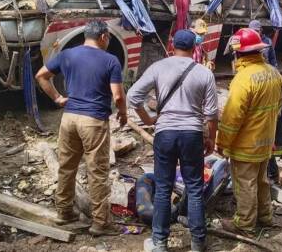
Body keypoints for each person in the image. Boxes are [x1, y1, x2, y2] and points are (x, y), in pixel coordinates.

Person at [127, 29, 219, 252]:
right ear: (194, 48)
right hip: (192, 134)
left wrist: (148, 119)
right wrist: (211, 139)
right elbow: (212, 114)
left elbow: (132, 96)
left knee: (164, 187)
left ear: (172, 46)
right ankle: (197, 243)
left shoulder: (159, 67)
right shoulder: (204, 73)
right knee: (195, 188)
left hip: (165, 133)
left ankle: (160, 243)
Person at [35, 20, 127, 236]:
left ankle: (64, 212)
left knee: (67, 167)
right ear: (103, 37)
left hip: (69, 119)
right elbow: (118, 95)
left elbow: (41, 75)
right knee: (97, 171)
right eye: (109, 38)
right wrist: (122, 113)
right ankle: (100, 223)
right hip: (93, 121)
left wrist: (58, 98)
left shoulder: (68, 54)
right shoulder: (110, 60)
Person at [217, 28, 282, 236]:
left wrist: (223, 142)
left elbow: (232, 118)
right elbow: (279, 108)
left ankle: (244, 224)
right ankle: (265, 217)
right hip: (265, 142)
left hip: (246, 144)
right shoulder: (274, 73)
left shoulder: (243, 79)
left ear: (238, 53)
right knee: (262, 181)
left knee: (245, 184)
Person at [248, 20, 282, 183]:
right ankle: (269, 175)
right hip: (268, 123)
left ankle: (271, 175)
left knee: (267, 148)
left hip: (265, 125)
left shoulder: (267, 44)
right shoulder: (269, 78)